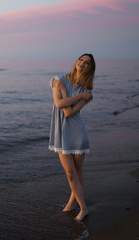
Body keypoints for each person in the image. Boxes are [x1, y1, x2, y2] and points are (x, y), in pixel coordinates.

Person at [49, 53, 96, 221]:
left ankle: (76, 205)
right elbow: (59, 105)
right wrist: (64, 90)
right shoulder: (58, 79)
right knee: (70, 174)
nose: (82, 63)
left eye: (87, 63)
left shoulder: (87, 91)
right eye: (81, 60)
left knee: (77, 171)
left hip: (77, 132)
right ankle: (80, 206)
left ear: (90, 68)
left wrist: (74, 94)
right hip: (61, 133)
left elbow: (69, 113)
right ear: (77, 61)